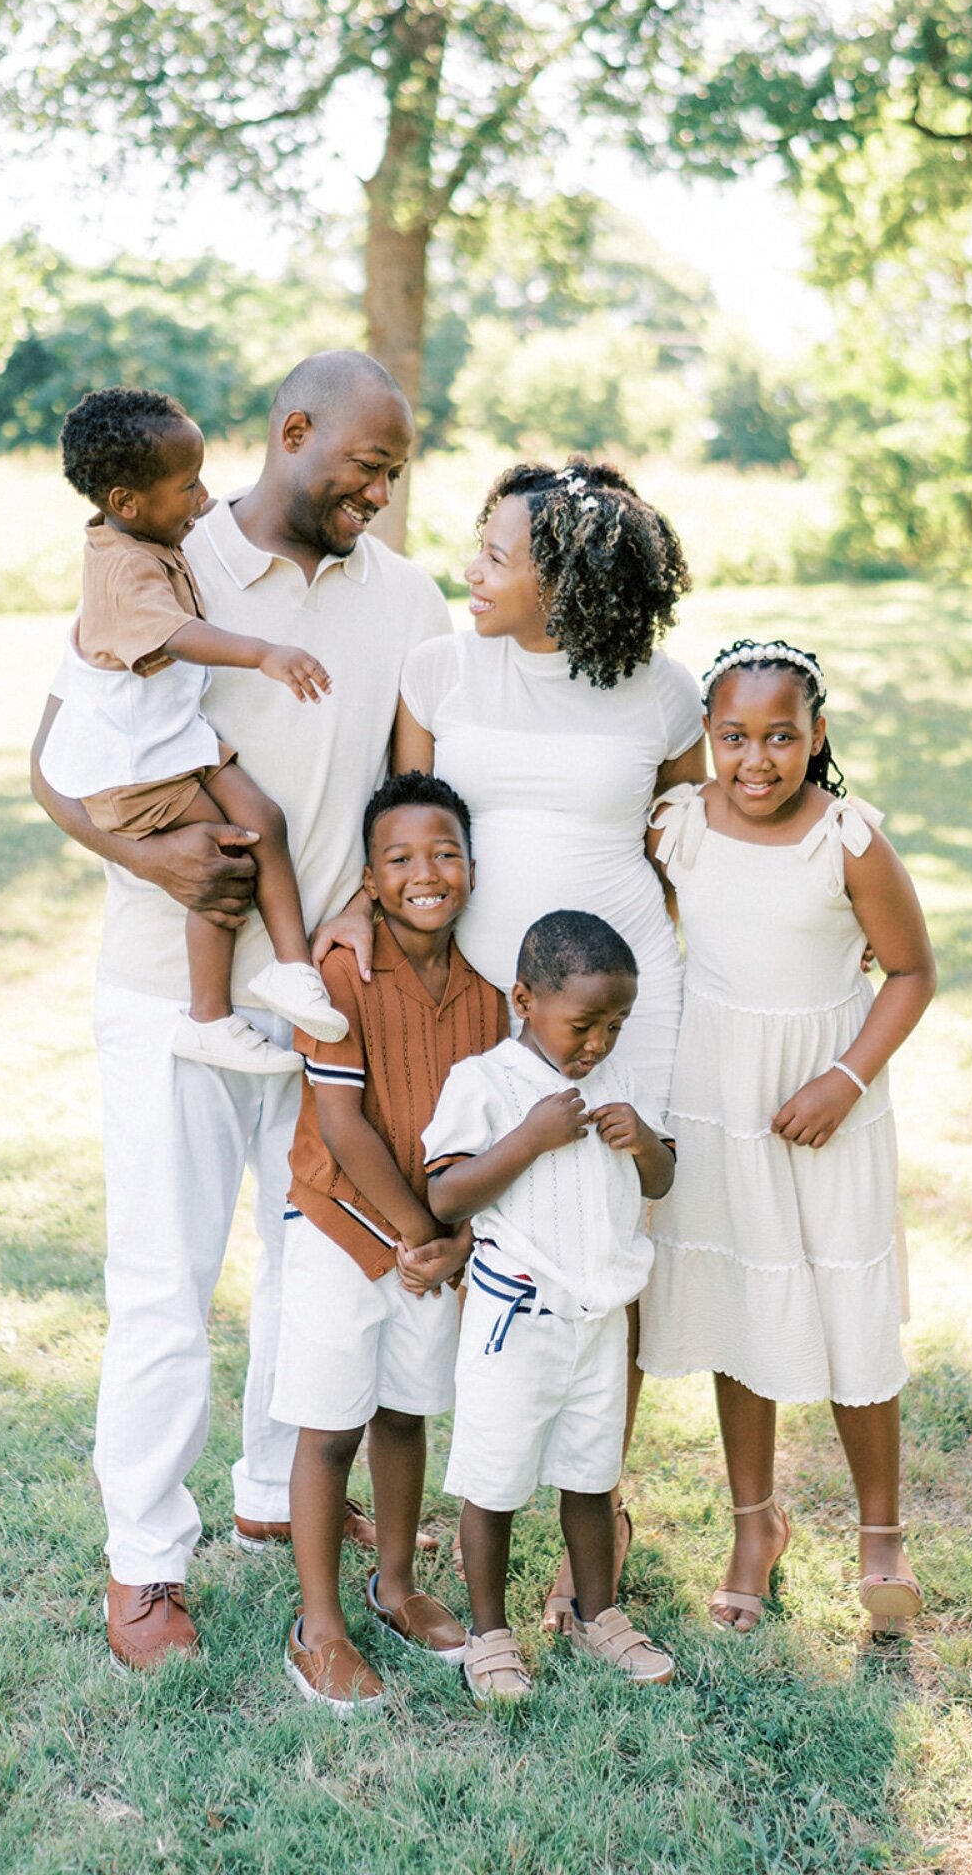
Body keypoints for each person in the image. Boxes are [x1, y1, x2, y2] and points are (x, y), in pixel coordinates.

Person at [29, 352, 451, 1670]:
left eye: (395, 475)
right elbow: (52, 759)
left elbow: (411, 793)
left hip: (320, 1000)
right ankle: (146, 1563)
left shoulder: (410, 600)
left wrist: (366, 909)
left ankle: (276, 1491)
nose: (378, 495)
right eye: (364, 467)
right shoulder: (170, 555)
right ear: (293, 431)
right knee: (165, 1281)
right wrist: (148, 858)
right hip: (171, 992)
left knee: (312, 1265)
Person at [325, 456, 705, 1626]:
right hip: (480, 997)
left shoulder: (661, 690)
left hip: (621, 1000)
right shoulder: (441, 668)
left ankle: (599, 1501)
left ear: (569, 576)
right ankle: (485, 1479)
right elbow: (405, 821)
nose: (472, 570)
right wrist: (354, 908)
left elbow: (693, 838)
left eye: (497, 554)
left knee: (603, 1233)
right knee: (488, 1222)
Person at [639, 639, 936, 1633]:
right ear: (706, 736)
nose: (756, 759)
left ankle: (882, 1536)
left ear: (818, 736)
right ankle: (753, 1525)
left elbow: (911, 972)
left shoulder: (847, 839)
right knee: (741, 1296)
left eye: (780, 736)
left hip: (829, 1096)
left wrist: (844, 1080)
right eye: (733, 737)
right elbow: (660, 924)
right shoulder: (679, 825)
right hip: (719, 1091)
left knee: (850, 1305)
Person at [274, 771, 508, 1713]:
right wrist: (423, 1234)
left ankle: (396, 1583)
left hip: (434, 1241)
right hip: (342, 1224)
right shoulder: (344, 972)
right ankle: (319, 1625)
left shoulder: (490, 992)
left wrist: (455, 1238)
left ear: (474, 869)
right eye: (401, 858)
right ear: (369, 881)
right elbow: (341, 1127)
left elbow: (491, 1132)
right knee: (331, 1425)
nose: (426, 873)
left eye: (445, 853)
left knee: (406, 1412)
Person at [40, 386, 348, 1075]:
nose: (204, 499)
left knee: (263, 818)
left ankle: (292, 969)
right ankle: (207, 1019)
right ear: (126, 502)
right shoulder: (122, 569)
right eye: (187, 486)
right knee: (225, 858)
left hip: (178, 745)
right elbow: (176, 634)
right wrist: (264, 653)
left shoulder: (141, 536)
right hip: (137, 767)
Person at [424, 911, 678, 1702]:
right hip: (516, 1322)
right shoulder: (485, 1082)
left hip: (598, 1320)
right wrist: (530, 1137)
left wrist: (645, 1142)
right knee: (496, 1482)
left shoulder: (621, 1083)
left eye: (616, 1025)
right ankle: (489, 1633)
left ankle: (598, 1614)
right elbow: (446, 1195)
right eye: (584, 1024)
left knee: (592, 1476)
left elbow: (664, 1180)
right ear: (525, 1000)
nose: (599, 1043)